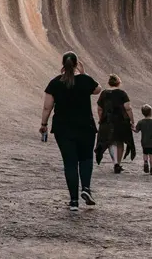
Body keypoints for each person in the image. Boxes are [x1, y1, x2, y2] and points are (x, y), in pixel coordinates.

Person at [40, 52, 102, 211]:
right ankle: (86, 189)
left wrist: (44, 124)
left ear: (62, 63)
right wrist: (84, 73)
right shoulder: (85, 80)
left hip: (63, 128)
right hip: (86, 127)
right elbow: (98, 90)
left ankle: (74, 201)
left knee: (70, 164)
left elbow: (47, 107)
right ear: (76, 64)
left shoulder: (55, 83)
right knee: (86, 159)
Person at [95, 74, 136, 172]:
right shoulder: (122, 93)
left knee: (110, 142)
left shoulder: (104, 93)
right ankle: (118, 164)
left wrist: (101, 119)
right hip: (120, 121)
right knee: (120, 141)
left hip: (107, 121)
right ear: (118, 83)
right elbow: (128, 108)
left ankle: (115, 163)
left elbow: (100, 109)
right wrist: (132, 120)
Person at [135, 104, 152, 175]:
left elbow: (136, 131)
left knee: (145, 153)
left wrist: (132, 127)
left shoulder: (140, 122)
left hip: (144, 142)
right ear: (150, 112)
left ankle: (145, 162)